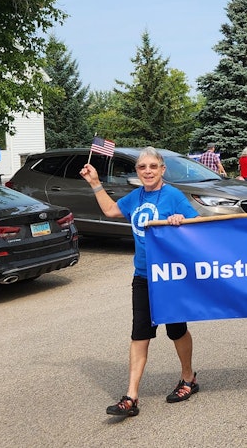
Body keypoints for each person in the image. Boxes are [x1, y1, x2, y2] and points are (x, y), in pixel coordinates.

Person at [80, 147, 199, 417]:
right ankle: (131, 396)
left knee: (176, 330)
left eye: (153, 167)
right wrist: (96, 183)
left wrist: (180, 220)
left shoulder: (172, 195)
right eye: (142, 167)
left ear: (162, 169)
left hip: (170, 276)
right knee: (139, 334)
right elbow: (111, 210)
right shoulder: (136, 196)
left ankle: (188, 378)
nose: (148, 171)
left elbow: (197, 223)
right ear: (137, 172)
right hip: (143, 275)